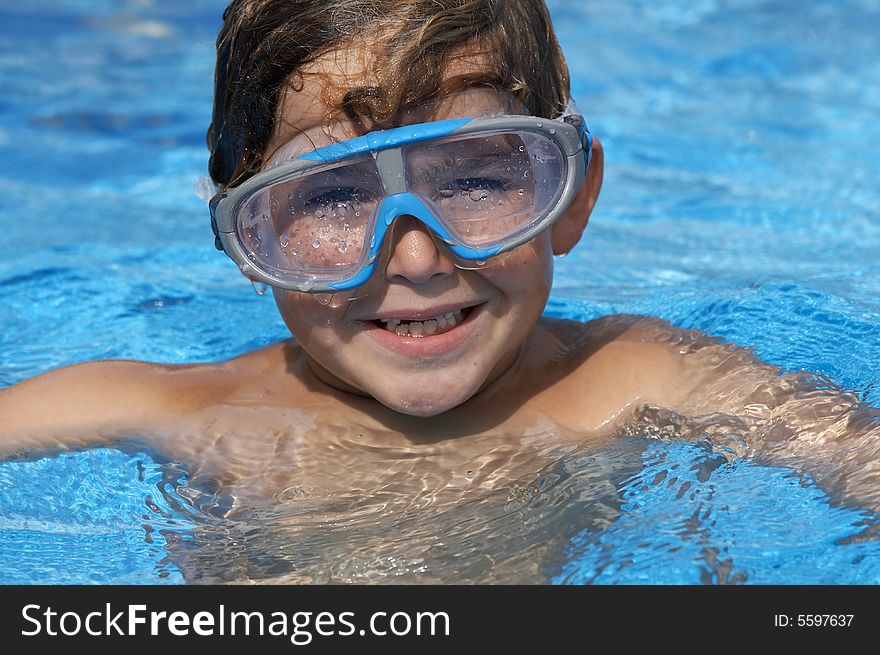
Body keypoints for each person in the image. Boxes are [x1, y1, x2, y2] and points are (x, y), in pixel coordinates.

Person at [0, 0, 877, 513]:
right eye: (334, 197)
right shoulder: (178, 408)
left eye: (479, 181)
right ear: (247, 242)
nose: (415, 255)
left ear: (572, 199)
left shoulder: (635, 378)